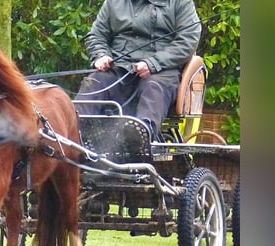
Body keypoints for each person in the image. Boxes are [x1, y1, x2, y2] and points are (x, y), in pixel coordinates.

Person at [75, 0, 202, 141]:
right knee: (94, 83)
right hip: (119, 68)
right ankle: (75, 137)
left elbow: (188, 40)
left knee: (153, 88)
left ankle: (139, 138)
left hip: (162, 72)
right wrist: (101, 55)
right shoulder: (113, 2)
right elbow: (96, 35)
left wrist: (153, 63)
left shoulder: (180, 2)